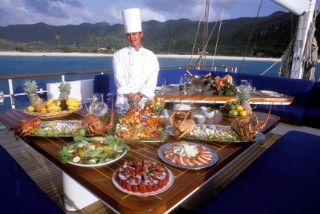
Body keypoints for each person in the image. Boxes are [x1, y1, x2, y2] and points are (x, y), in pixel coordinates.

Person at [113, 8, 160, 109]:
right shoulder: (118, 55)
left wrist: (139, 95)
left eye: (134, 34)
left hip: (144, 102)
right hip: (124, 102)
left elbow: (152, 78)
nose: (131, 37)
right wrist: (131, 95)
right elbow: (118, 77)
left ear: (141, 34)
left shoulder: (151, 56)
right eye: (128, 35)